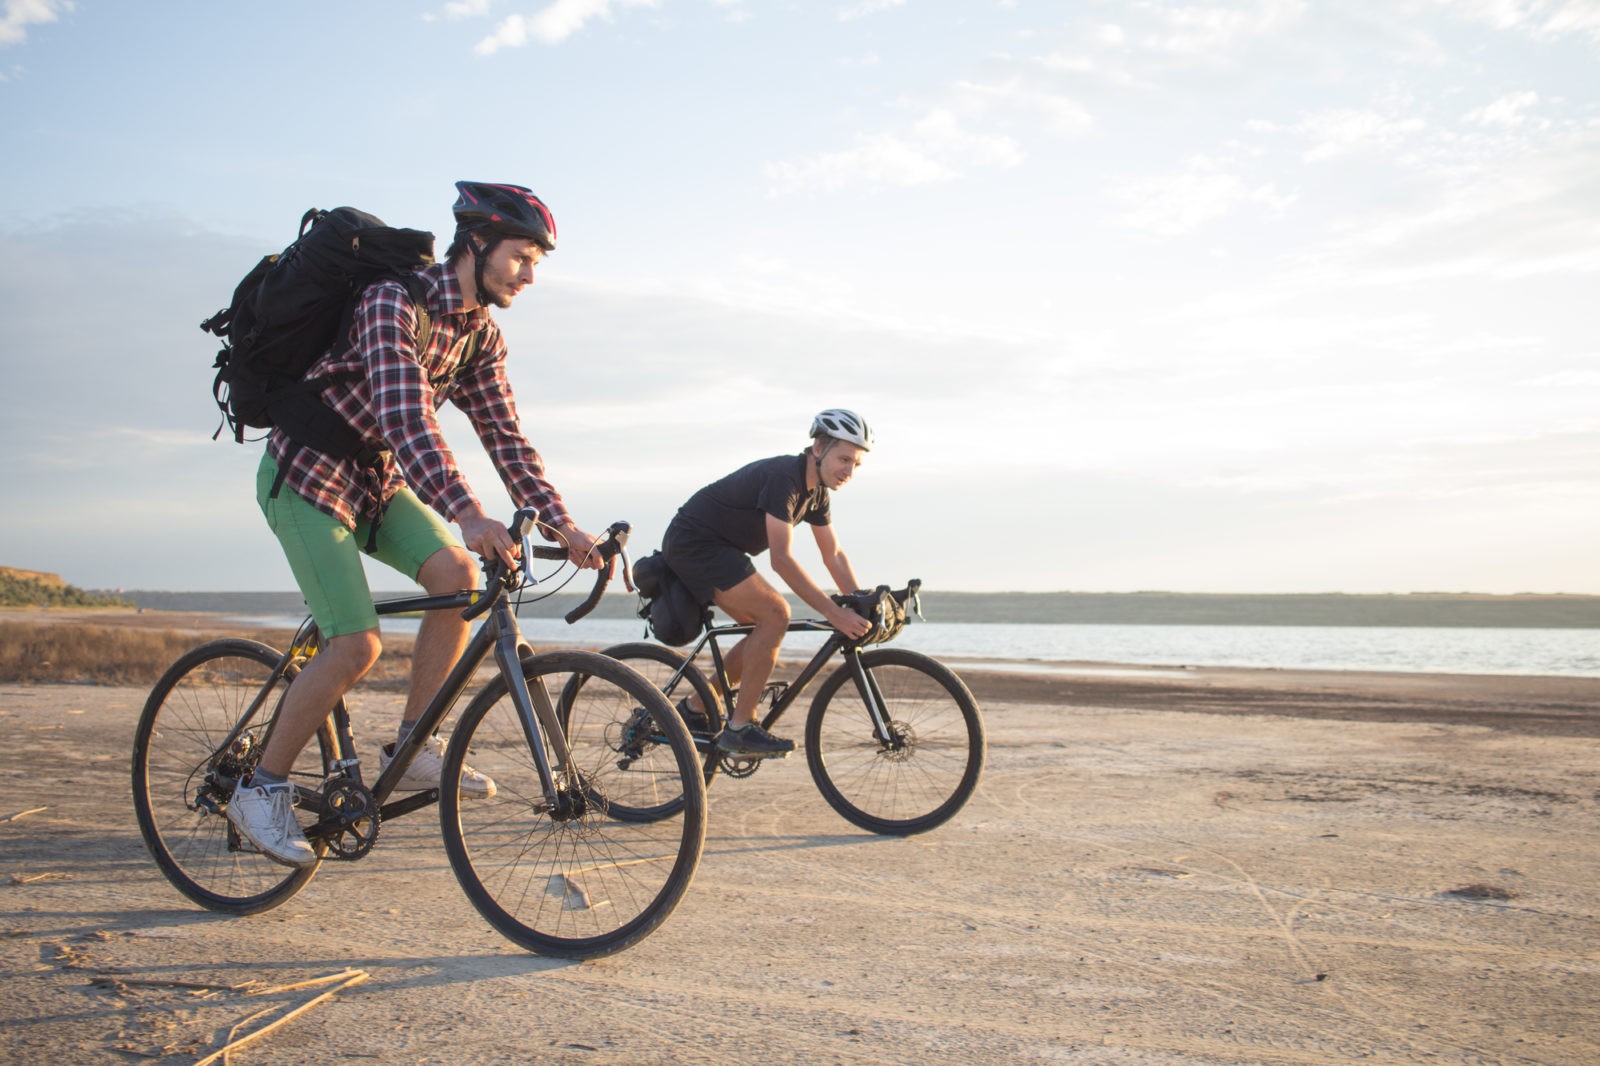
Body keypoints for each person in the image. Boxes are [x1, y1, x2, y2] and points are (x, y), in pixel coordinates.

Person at [227, 181, 601, 867]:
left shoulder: (481, 335)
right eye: (522, 257)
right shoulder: (390, 301)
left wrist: (564, 526)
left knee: (458, 579)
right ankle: (260, 787)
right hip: (307, 478)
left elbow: (506, 439)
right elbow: (406, 419)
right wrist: (466, 511)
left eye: (537, 264)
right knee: (355, 646)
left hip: (375, 484)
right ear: (478, 242)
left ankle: (411, 744)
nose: (530, 275)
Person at [663, 409, 876, 757]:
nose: (849, 471)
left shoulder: (817, 493)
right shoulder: (785, 479)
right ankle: (740, 728)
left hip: (722, 549)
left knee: (763, 628)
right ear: (818, 447)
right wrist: (834, 613)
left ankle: (695, 707)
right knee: (776, 614)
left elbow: (833, 554)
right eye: (844, 459)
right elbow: (781, 559)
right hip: (694, 542)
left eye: (856, 464)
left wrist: (858, 600)